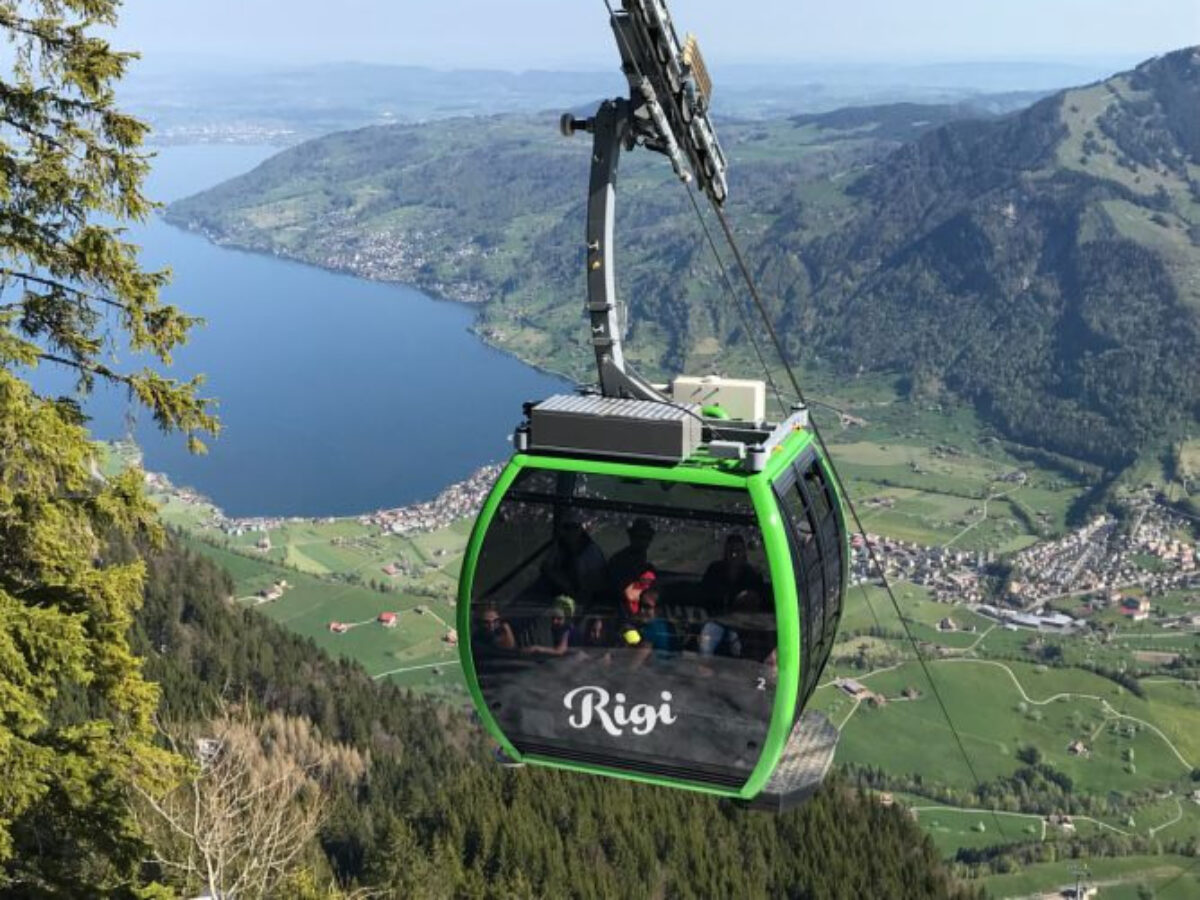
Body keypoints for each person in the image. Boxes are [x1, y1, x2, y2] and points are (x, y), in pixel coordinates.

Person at [539, 519, 609, 608]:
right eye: (566, 528)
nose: (569, 532)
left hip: (588, 602)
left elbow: (595, 584)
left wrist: (570, 588)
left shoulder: (591, 552)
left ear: (580, 529)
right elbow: (545, 567)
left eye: (574, 528)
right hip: (559, 597)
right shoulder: (560, 546)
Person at [701, 534, 765, 614]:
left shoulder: (752, 575)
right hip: (716, 616)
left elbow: (757, 602)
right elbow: (704, 595)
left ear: (744, 553)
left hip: (744, 620)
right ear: (725, 552)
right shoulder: (714, 570)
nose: (734, 555)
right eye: (731, 551)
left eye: (738, 551)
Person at [608, 518, 656, 592]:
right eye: (640, 537)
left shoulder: (639, 558)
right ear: (632, 537)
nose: (643, 542)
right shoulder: (620, 560)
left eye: (647, 538)